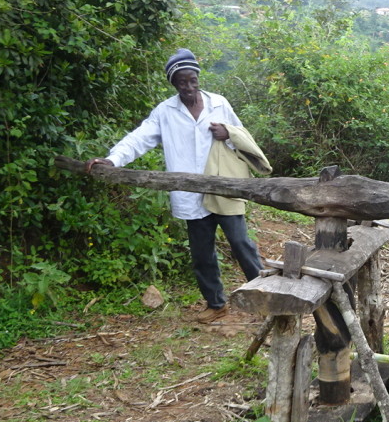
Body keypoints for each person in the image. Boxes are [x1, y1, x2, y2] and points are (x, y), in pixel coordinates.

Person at [86, 48, 264, 323]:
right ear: (174, 83)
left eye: (193, 80)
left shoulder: (219, 103)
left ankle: (265, 297)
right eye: (182, 82)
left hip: (221, 186)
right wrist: (113, 160)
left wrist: (227, 132)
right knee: (202, 253)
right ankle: (216, 304)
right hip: (189, 193)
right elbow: (139, 138)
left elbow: (242, 137)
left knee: (241, 243)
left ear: (198, 78)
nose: (189, 87)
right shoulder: (165, 111)